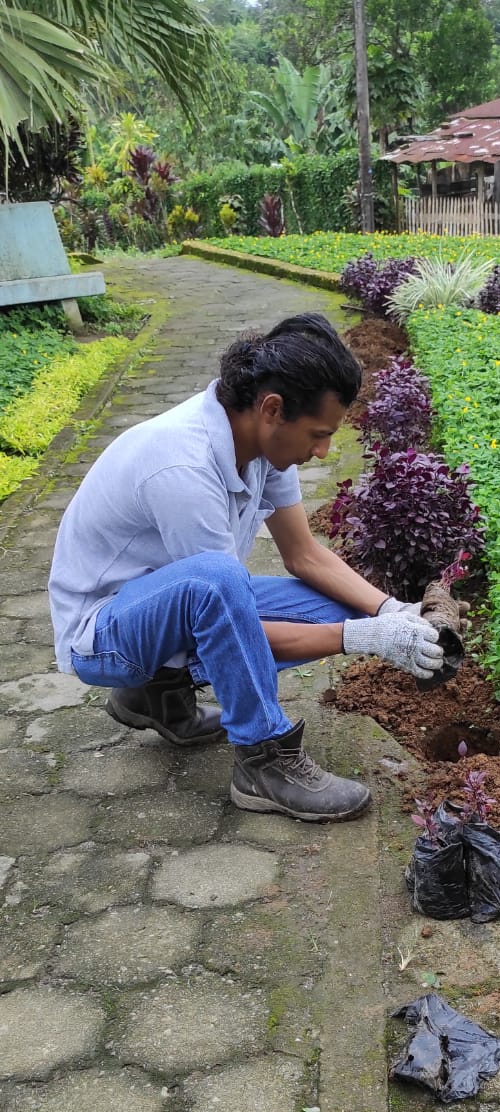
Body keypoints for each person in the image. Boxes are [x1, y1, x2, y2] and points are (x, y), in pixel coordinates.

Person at [49, 312, 443, 823]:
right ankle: (263, 761)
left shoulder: (260, 444)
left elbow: (304, 554)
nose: (323, 451)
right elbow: (228, 617)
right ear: (273, 408)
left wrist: (393, 612)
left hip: (166, 606)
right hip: (102, 634)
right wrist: (364, 638)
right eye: (318, 434)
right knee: (221, 581)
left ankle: (156, 696)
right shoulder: (184, 467)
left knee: (337, 606)